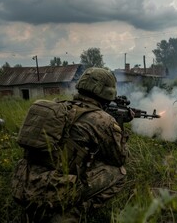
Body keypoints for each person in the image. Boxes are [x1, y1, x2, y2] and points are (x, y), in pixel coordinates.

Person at [11, 67, 129, 222]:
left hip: (24, 184)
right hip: (56, 189)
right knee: (119, 172)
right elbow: (119, 158)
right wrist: (120, 129)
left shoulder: (59, 107)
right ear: (107, 93)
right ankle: (70, 214)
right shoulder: (103, 119)